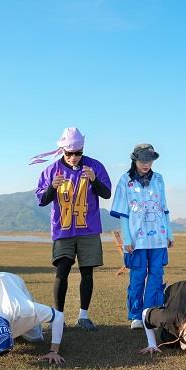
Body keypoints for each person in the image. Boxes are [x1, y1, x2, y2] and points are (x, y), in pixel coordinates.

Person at [32, 127, 111, 331]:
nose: (73, 157)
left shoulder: (95, 166)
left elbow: (106, 194)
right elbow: (42, 200)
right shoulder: (51, 170)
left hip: (89, 229)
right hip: (63, 230)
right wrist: (52, 187)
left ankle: (83, 316)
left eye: (78, 153)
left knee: (87, 273)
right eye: (69, 153)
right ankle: (58, 317)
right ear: (62, 151)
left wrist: (94, 180)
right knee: (62, 272)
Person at [110, 144, 173, 329]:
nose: (146, 164)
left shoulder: (159, 179)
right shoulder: (125, 180)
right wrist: (126, 239)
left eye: (149, 160)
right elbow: (123, 213)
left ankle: (150, 313)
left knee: (156, 274)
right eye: (143, 160)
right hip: (137, 239)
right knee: (138, 275)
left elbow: (164, 208)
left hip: (158, 237)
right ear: (135, 160)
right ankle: (136, 315)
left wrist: (169, 233)